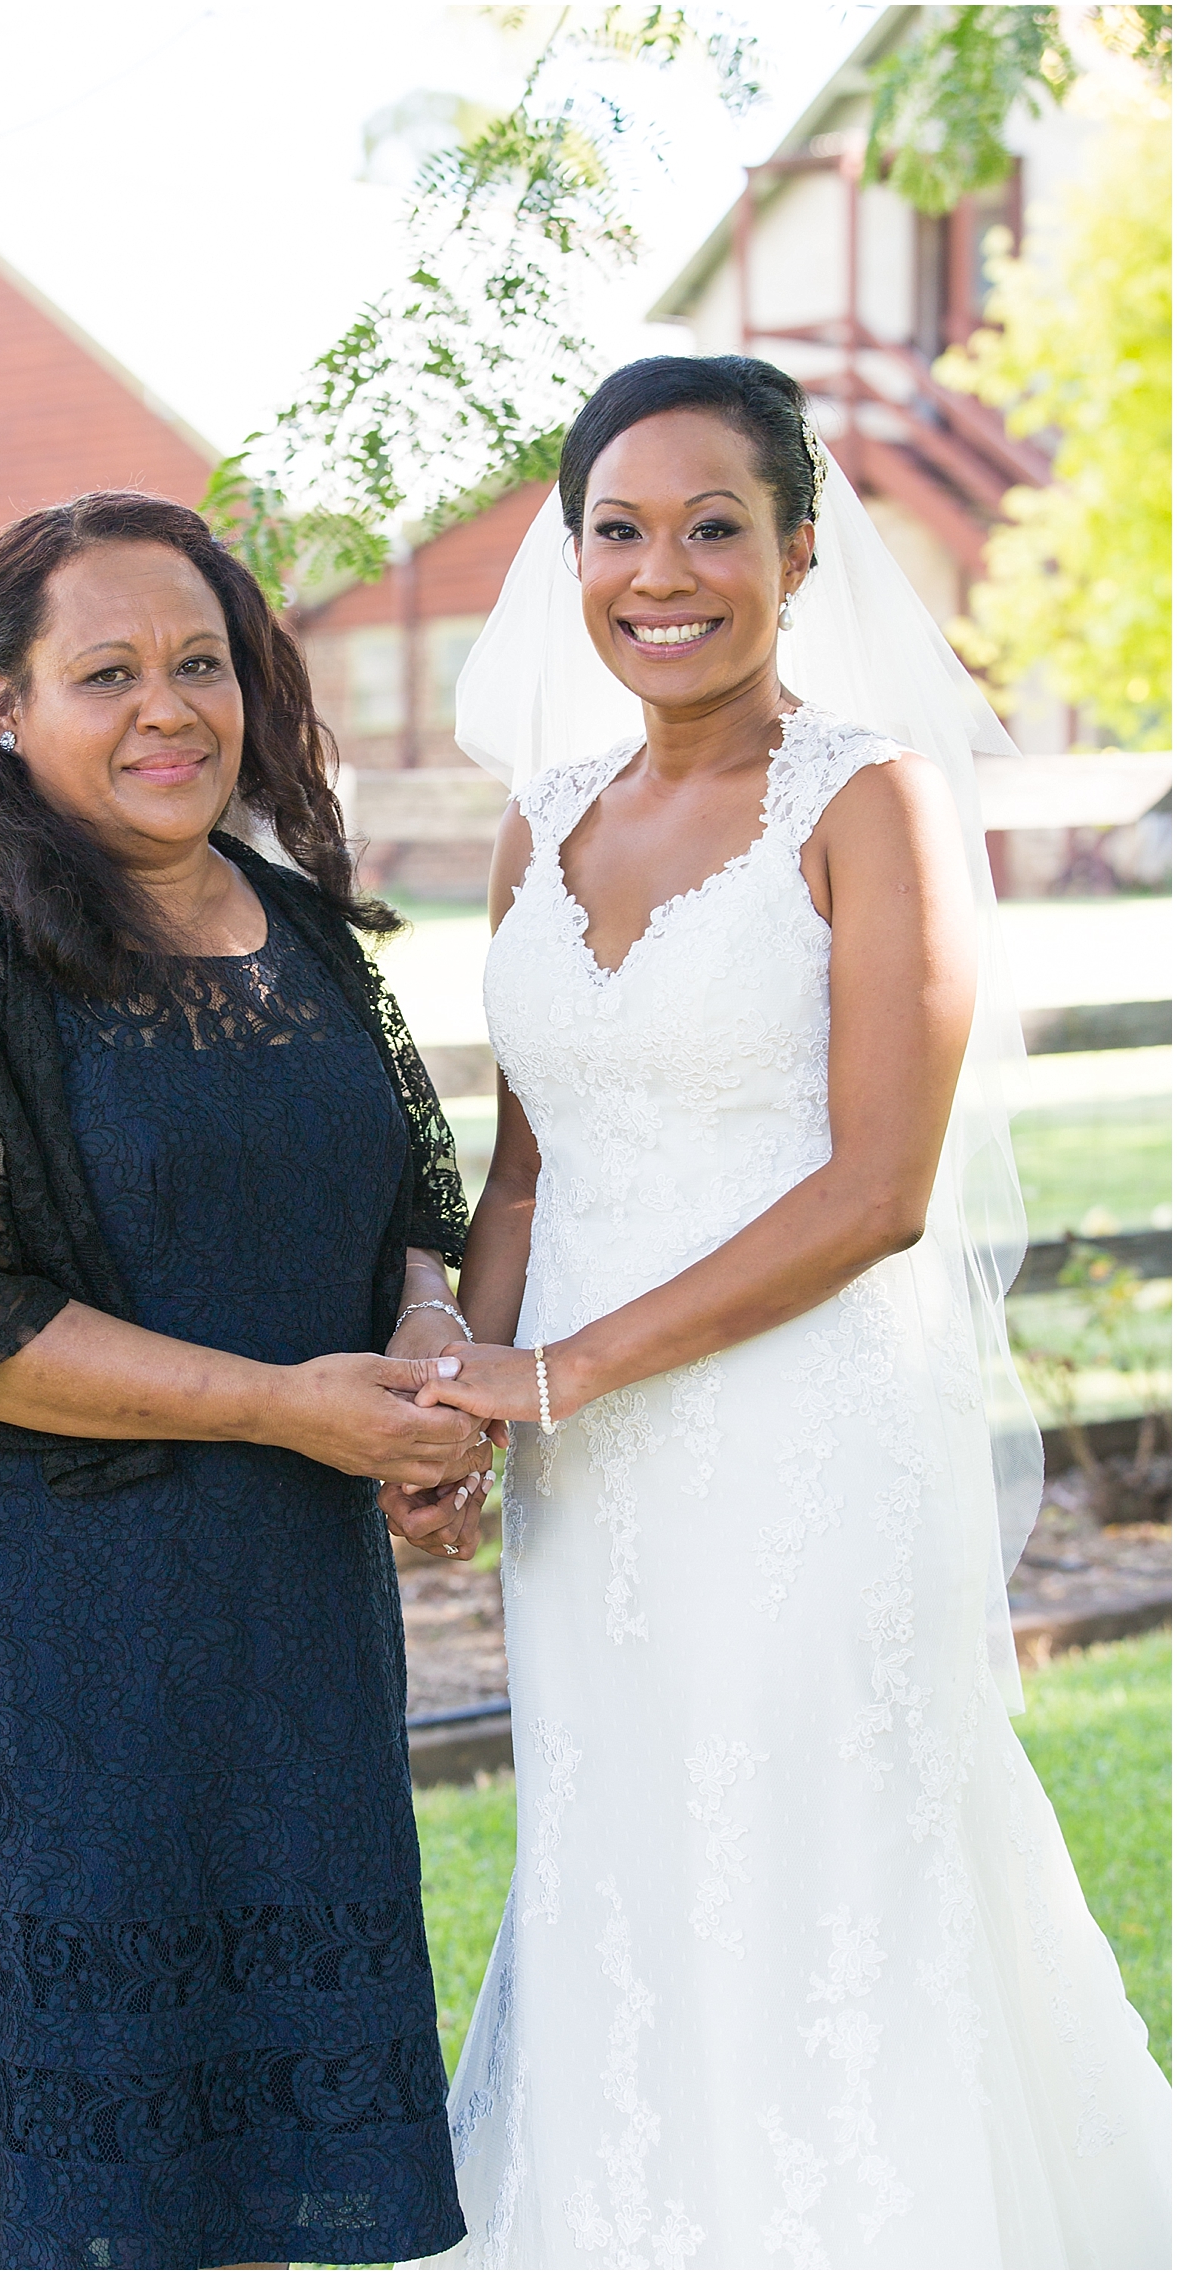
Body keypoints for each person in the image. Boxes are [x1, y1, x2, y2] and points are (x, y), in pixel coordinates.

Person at [383, 358, 1172, 2269]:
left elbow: (877, 1193)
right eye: (620, 531)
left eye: (715, 526)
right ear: (569, 560)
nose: (666, 572)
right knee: (627, 1868)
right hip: (590, 1481)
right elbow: (527, 1170)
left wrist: (555, 1370)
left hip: (803, 1442)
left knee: (820, 1863)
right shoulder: (542, 821)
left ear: (800, 552)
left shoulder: (871, 800)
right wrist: (460, 1417)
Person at [0, 490, 495, 2272]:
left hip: (277, 1639)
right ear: (2, 705)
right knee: (3, 2170)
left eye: (199, 664)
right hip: (21, 1656)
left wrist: (427, 1370)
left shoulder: (306, 935)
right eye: (106, 673)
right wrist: (282, 1406)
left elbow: (405, 1211)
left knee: (248, 2169)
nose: (168, 708)